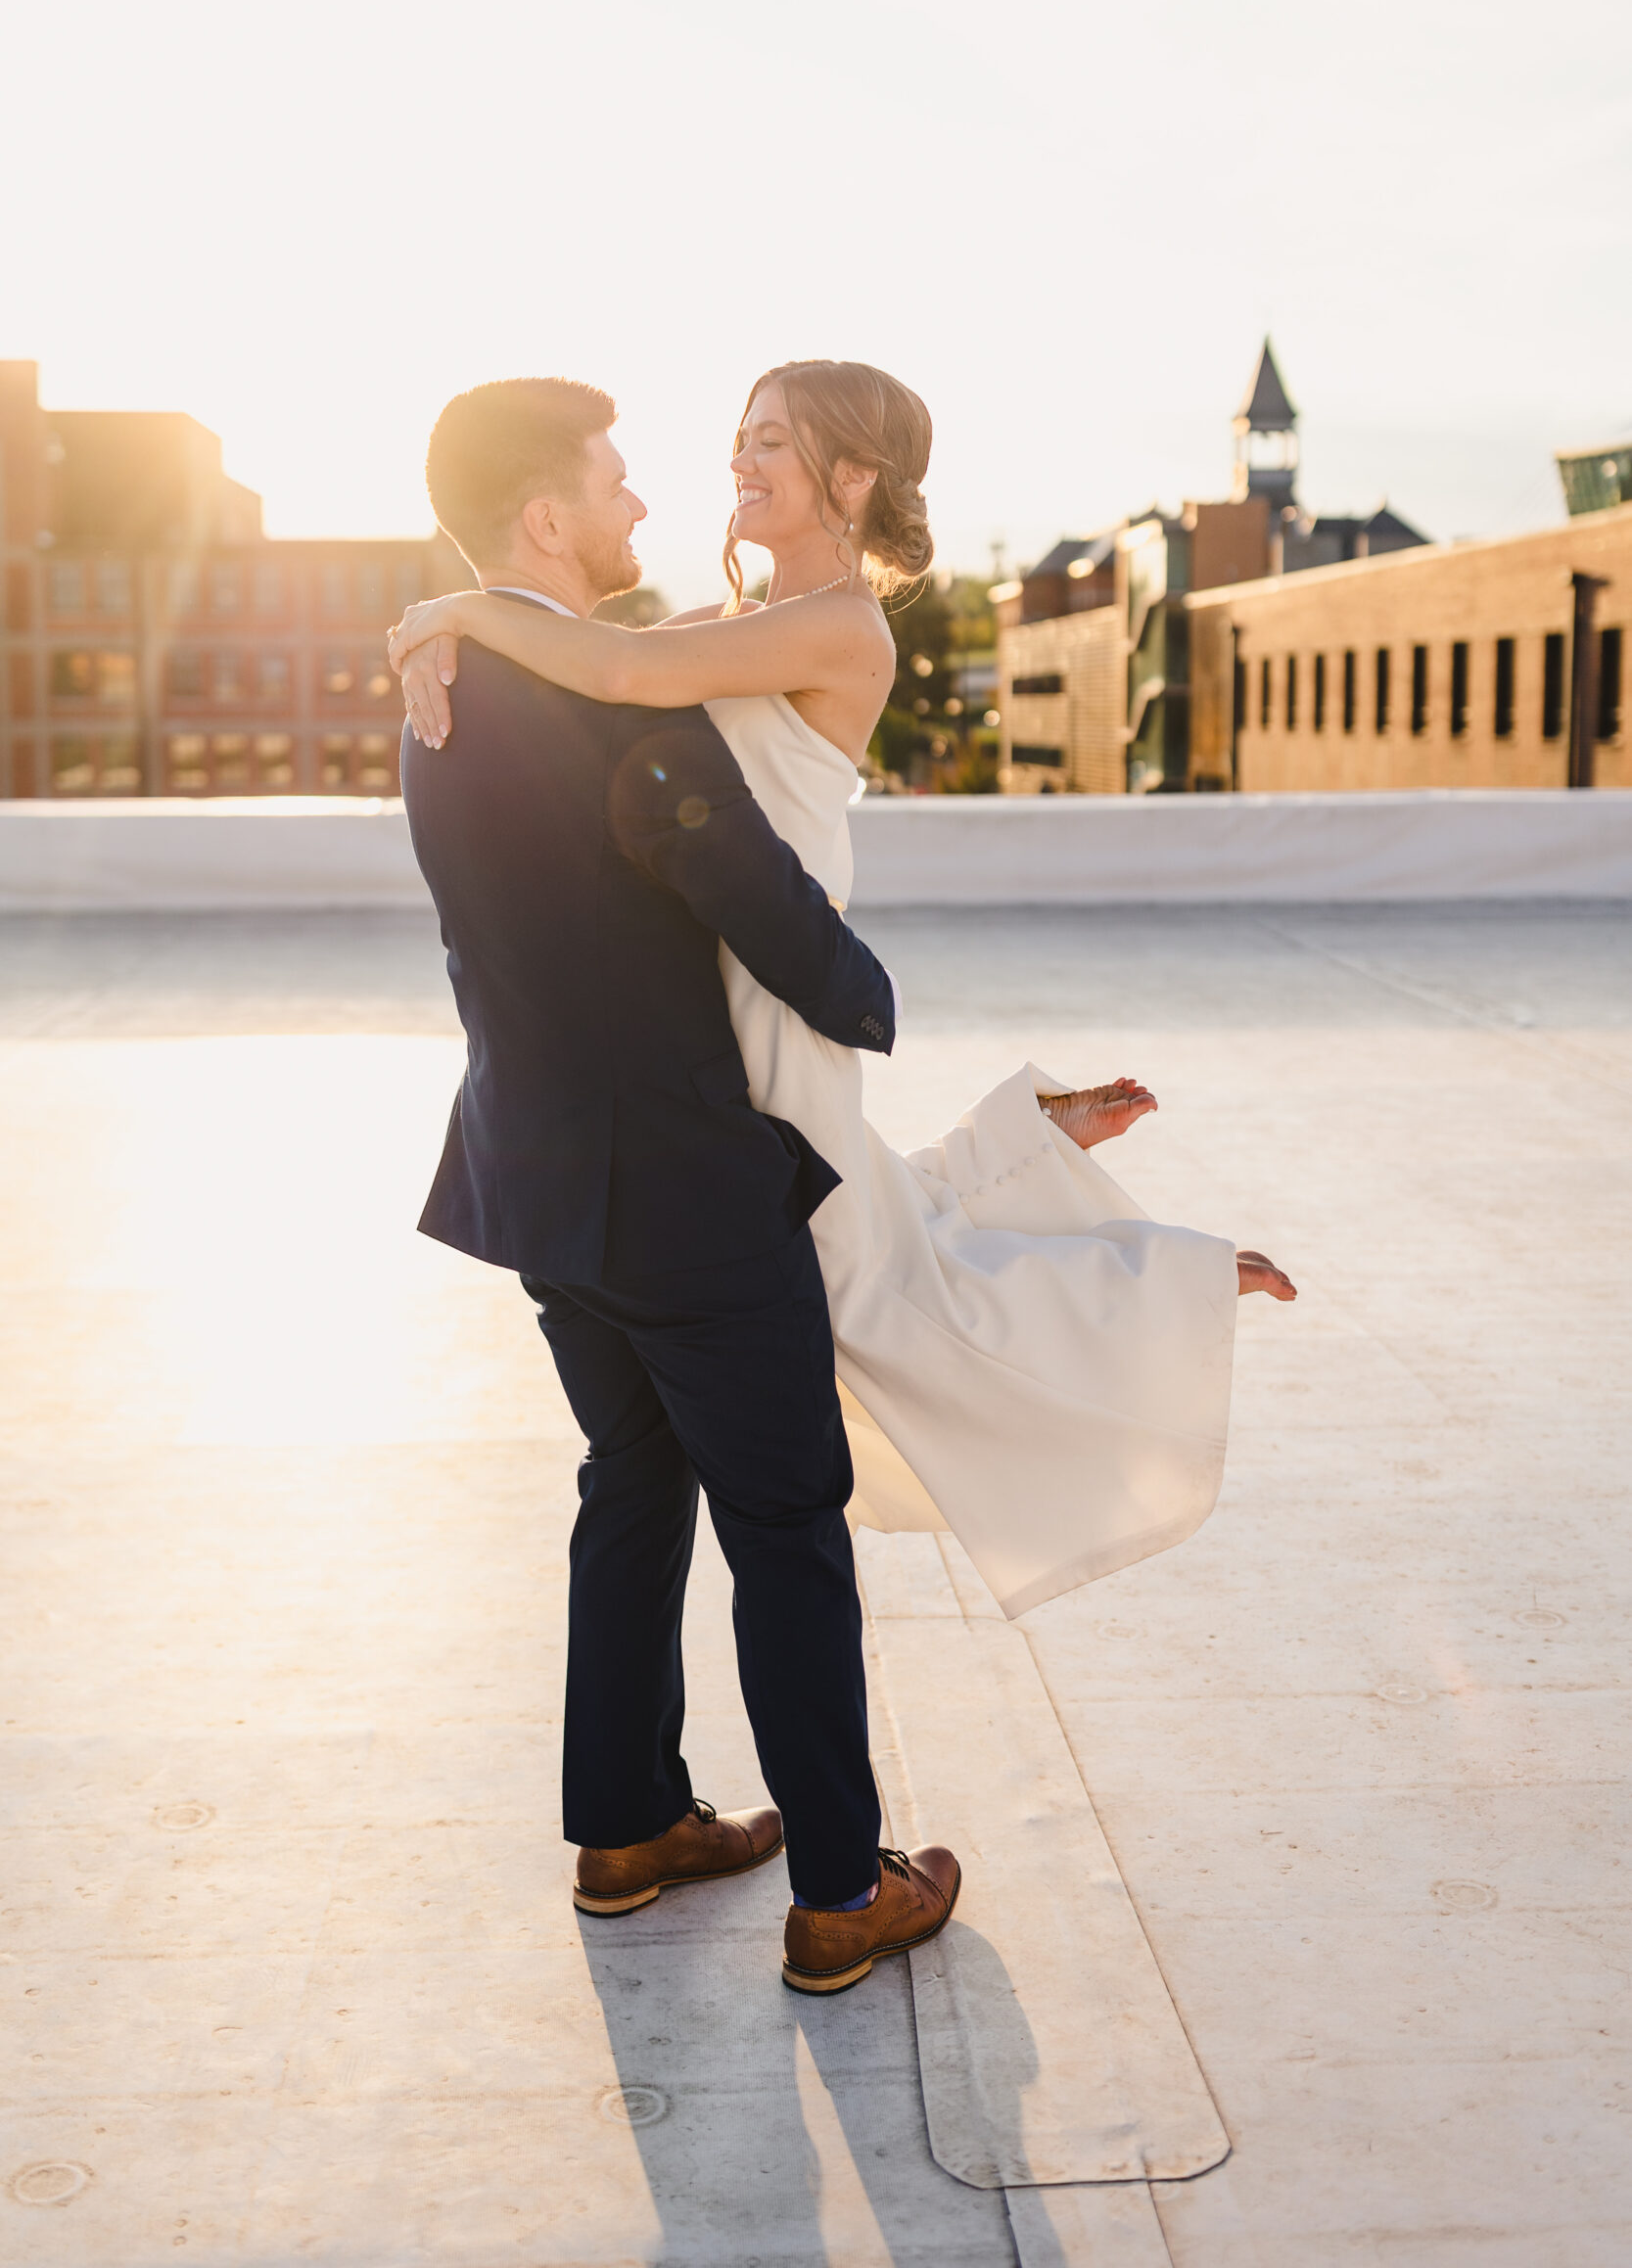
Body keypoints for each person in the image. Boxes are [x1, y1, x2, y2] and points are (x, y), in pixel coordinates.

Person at [393, 359, 1296, 1633]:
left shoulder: (841, 626)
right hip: (724, 1014)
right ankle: (1057, 1175)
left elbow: (604, 674)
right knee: (868, 1271)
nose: (735, 464)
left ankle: (1176, 1289)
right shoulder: (726, 623)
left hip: (770, 1002)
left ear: (852, 479)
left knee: (889, 1295)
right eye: (741, 437)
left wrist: (453, 614)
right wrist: (457, 615)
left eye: (770, 441)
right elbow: (590, 661)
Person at [400, 375, 958, 2000]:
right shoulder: (609, 700)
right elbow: (753, 896)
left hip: (533, 1173)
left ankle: (628, 1827)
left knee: (631, 1488)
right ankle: (846, 1893)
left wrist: (442, 607)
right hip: (684, 1188)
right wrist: (867, 1003)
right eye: (618, 484)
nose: (650, 506)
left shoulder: (444, 689)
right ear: (548, 518)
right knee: (786, 1520)